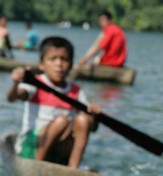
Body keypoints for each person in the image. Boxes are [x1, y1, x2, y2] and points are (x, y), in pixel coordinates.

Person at [7, 36, 101, 169]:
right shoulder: (36, 83)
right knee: (61, 121)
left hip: (59, 146)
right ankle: (38, 165)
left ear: (70, 65)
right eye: (53, 59)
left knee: (83, 119)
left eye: (64, 59)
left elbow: (92, 128)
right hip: (33, 144)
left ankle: (73, 168)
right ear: (42, 64)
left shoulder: (76, 91)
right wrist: (16, 83)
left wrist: (94, 116)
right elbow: (13, 97)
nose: (59, 64)